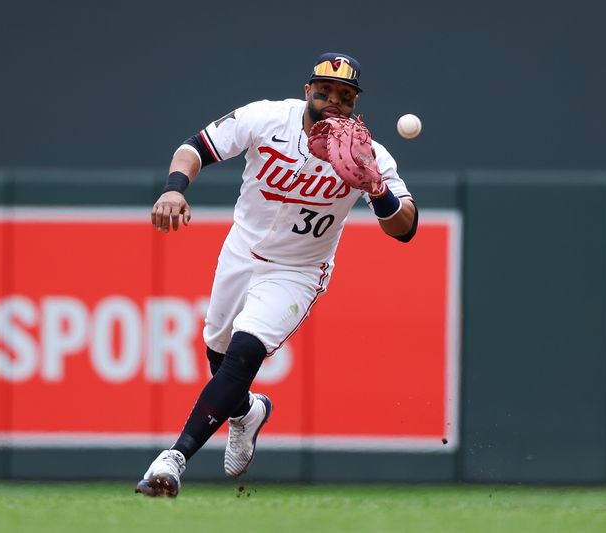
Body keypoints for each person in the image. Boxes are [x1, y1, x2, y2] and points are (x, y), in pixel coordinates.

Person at [135, 52, 418, 498]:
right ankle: (247, 412)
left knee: (244, 352)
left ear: (354, 104)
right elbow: (195, 147)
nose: (332, 100)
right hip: (240, 252)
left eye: (345, 95)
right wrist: (174, 189)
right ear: (308, 91)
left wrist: (377, 190)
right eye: (324, 90)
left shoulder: (370, 154)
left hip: (299, 269)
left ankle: (173, 459)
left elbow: (406, 228)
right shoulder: (267, 118)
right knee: (219, 353)